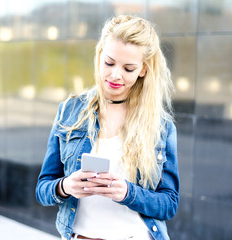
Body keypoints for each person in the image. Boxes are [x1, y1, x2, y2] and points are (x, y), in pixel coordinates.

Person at [35, 15, 179, 240]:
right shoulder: (70, 110)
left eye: (128, 68)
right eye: (109, 63)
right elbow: (43, 190)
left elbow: (169, 204)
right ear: (100, 54)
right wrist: (65, 186)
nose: (115, 75)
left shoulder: (160, 126)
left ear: (143, 70)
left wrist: (128, 193)